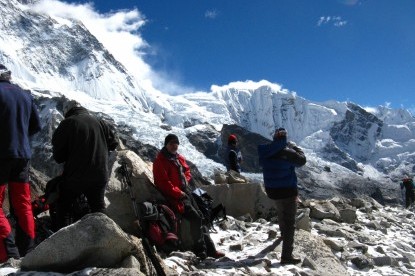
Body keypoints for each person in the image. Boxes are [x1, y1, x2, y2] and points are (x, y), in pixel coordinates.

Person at [153, 134, 224, 259]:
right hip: (175, 197)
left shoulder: (178, 158)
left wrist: (184, 181)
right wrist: (178, 192)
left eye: (176, 143)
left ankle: (210, 249)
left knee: (201, 216)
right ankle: (200, 250)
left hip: (186, 193)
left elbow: (187, 171)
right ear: (166, 144)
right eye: (171, 143)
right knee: (196, 218)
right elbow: (162, 183)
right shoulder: (160, 161)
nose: (174, 145)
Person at [51, 100, 118, 229]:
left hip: (77, 175)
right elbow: (113, 143)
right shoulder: (100, 122)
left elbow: (58, 156)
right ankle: (105, 237)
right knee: (98, 207)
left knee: (63, 205)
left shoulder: (67, 123)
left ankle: (63, 240)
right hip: (101, 174)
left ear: (67, 112)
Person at [0, 64, 41, 262]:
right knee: (22, 203)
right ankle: (29, 250)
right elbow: (36, 125)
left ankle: (9, 255)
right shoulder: (25, 94)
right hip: (22, 155)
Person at [258, 127, 306, 265]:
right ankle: (286, 256)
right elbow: (302, 161)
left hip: (273, 191)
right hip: (288, 191)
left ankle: (283, 234)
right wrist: (296, 148)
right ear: (284, 138)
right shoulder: (287, 152)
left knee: (281, 212)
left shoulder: (265, 152)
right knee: (290, 222)